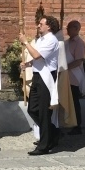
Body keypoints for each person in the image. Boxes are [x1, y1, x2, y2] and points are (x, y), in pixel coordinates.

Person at [20, 16, 61, 155]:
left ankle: (44, 146)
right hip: (38, 75)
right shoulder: (41, 39)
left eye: (41, 23)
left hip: (46, 76)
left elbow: (37, 55)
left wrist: (26, 42)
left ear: (49, 26)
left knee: (44, 112)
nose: (38, 25)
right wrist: (27, 64)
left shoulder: (51, 40)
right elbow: (36, 59)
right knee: (32, 109)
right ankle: (52, 132)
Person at [64, 20, 85, 135]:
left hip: (74, 76)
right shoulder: (66, 42)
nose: (67, 30)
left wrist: (65, 68)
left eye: (69, 28)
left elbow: (78, 61)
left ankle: (77, 126)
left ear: (76, 29)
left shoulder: (79, 43)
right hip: (66, 76)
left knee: (74, 103)